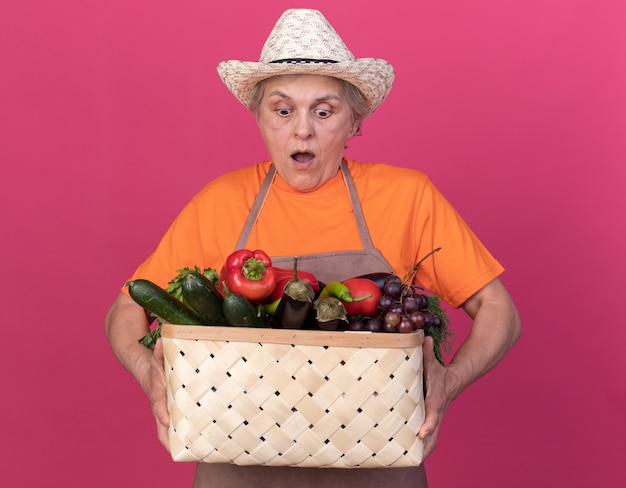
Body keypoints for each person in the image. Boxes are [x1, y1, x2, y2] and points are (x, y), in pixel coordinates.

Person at [105, 8, 521, 488]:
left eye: (324, 111)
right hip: (236, 473)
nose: (302, 130)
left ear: (355, 122)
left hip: (380, 469)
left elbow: (499, 310)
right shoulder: (218, 202)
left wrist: (446, 383)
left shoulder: (407, 197)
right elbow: (126, 308)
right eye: (283, 110)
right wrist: (150, 375)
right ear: (259, 117)